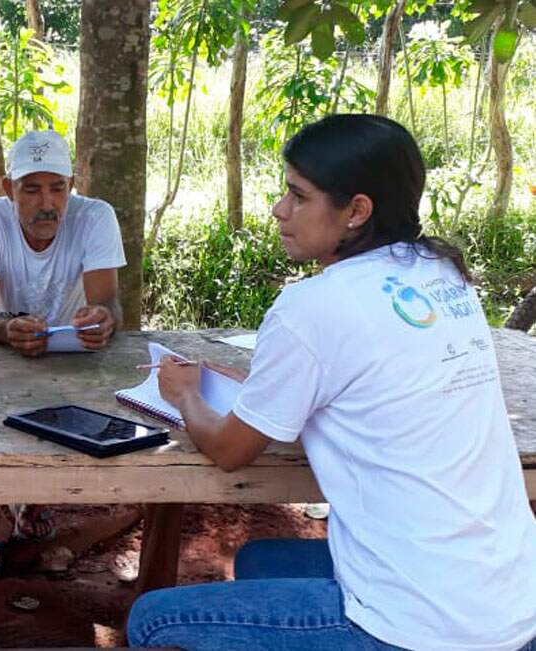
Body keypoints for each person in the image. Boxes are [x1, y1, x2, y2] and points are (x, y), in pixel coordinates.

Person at [127, 114, 536, 651]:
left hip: (419, 627)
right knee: (260, 560)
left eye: (298, 196)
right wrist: (261, 384)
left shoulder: (312, 306)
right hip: (509, 598)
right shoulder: (439, 272)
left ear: (357, 211)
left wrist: (183, 394)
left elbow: (229, 451)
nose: (279, 209)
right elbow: (372, 379)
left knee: (153, 622)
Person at [0, 129, 126, 579]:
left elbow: (110, 304)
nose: (46, 202)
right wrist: (5, 329)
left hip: (72, 350)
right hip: (2, 346)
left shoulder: (96, 217)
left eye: (57, 188)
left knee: (63, 418)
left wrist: (102, 320)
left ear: (72, 184)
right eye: (31, 189)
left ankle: (36, 500)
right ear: (8, 189)